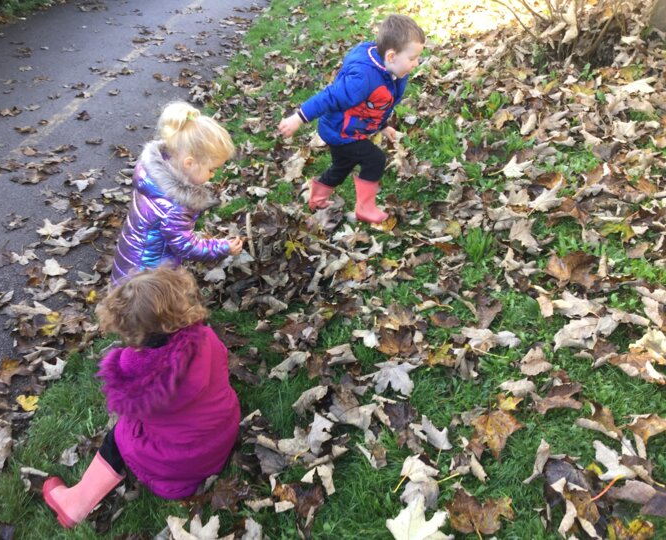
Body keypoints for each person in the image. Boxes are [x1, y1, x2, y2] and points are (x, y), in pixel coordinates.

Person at [42, 265, 241, 528]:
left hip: (177, 467)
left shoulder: (134, 368)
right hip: (222, 437)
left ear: (131, 330)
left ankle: (75, 503)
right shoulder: (206, 336)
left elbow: (132, 410)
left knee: (120, 433)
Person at [278, 14, 425, 224]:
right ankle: (365, 208)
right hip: (341, 132)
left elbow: (375, 105)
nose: (416, 63)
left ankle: (317, 200)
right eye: (412, 58)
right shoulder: (362, 78)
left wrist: (382, 126)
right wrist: (299, 117)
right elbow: (329, 97)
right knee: (375, 159)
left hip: (349, 129)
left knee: (342, 166)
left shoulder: (390, 70)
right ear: (391, 56)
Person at [110, 101, 243, 287]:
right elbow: (186, 247)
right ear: (189, 163)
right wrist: (223, 248)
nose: (213, 176)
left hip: (131, 256)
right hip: (149, 276)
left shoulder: (152, 174)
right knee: (150, 304)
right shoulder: (176, 205)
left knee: (122, 297)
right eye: (212, 169)